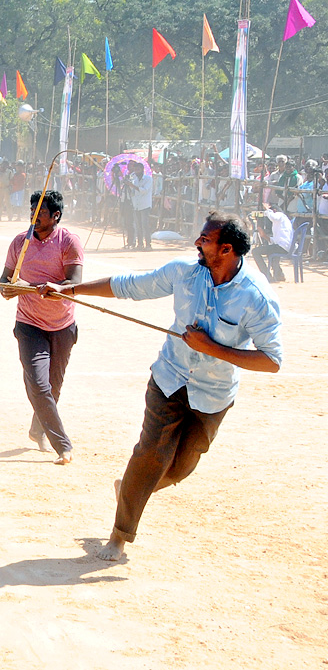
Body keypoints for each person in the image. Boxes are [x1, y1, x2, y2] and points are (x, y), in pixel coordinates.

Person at [38, 212, 282, 561]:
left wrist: (210, 348)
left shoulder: (256, 296)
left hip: (213, 395)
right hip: (169, 379)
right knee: (152, 455)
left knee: (180, 468)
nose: (197, 243)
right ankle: (119, 536)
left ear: (226, 249)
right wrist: (68, 290)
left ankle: (129, 489)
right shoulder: (184, 272)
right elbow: (130, 285)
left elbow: (272, 360)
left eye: (205, 239)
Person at [0, 190, 84, 464]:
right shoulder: (19, 243)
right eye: (32, 210)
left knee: (52, 387)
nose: (34, 217)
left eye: (41, 213)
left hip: (63, 326)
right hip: (29, 325)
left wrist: (40, 288)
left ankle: (38, 429)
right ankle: (63, 445)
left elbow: (73, 284)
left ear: (56, 216)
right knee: (38, 383)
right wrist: (10, 289)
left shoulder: (68, 241)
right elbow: (4, 283)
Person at [251, 206, 293, 282]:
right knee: (270, 251)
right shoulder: (282, 222)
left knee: (255, 251)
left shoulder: (280, 215)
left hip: (282, 246)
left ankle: (266, 275)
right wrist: (264, 236)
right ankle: (279, 274)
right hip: (283, 246)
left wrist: (267, 210)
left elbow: (274, 217)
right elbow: (276, 241)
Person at [126, 161, 154, 250]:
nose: (136, 172)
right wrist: (129, 186)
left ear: (142, 170)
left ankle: (148, 244)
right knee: (138, 225)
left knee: (145, 225)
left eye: (138, 170)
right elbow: (133, 193)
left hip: (145, 205)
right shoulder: (134, 179)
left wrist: (132, 186)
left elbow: (144, 190)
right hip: (136, 205)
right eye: (135, 170)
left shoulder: (148, 179)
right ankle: (140, 244)